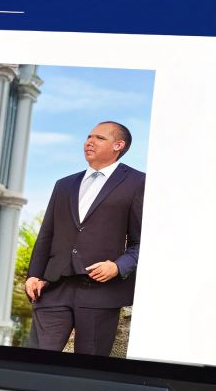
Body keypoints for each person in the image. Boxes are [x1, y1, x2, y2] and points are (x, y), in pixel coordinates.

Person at [26, 121, 146, 356]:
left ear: (118, 145)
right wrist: (34, 274)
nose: (89, 142)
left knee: (88, 368)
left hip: (101, 291)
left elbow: (143, 241)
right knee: (35, 360)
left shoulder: (138, 183)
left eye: (99, 138)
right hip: (54, 288)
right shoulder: (64, 185)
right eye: (88, 136)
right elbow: (47, 235)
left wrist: (118, 266)